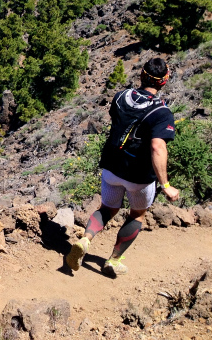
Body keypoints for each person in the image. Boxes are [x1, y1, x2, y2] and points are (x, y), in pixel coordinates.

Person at [66, 57, 180, 277]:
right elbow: (157, 147)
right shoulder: (162, 112)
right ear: (164, 81)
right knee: (137, 215)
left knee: (107, 209)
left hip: (111, 167)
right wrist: (165, 184)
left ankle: (85, 239)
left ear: (142, 75)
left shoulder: (121, 97)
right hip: (139, 175)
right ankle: (114, 260)